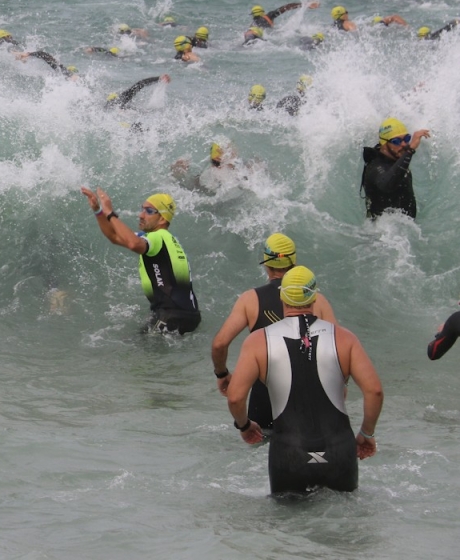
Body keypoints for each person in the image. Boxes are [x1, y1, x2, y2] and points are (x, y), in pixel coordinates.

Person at [226, 266, 382, 495]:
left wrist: (245, 425)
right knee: (345, 528)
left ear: (282, 296)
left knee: (286, 528)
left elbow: (235, 397)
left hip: (289, 454)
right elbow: (374, 391)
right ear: (314, 296)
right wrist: (366, 434)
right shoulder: (345, 338)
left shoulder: (258, 341)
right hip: (339, 452)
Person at [211, 236, 337, 432]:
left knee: (259, 456)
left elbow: (220, 344)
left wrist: (222, 373)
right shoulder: (317, 300)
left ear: (266, 264)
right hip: (307, 402)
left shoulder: (250, 299)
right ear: (294, 263)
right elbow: (337, 351)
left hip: (264, 402)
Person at [78, 188, 201, 334]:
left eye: (149, 211)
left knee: (136, 353)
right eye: (142, 209)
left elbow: (134, 244)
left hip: (171, 316)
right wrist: (98, 211)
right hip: (188, 315)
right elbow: (114, 237)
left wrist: (110, 213)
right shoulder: (166, 239)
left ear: (162, 218)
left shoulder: (157, 237)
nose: (141, 215)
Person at [361, 117, 429, 219]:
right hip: (383, 231)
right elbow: (388, 185)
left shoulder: (396, 159)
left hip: (405, 228)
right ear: (384, 143)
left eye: (406, 138)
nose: (404, 144)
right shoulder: (375, 167)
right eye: (396, 141)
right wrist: (410, 150)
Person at [104, 75, 169, 109]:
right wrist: (159, 78)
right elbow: (139, 84)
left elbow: (139, 85)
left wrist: (158, 78)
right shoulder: (121, 100)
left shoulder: (122, 100)